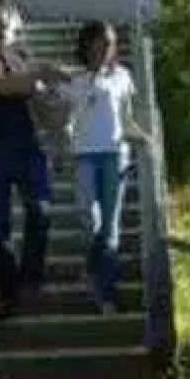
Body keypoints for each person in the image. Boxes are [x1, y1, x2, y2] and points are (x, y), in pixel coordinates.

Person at [0, 4, 65, 317]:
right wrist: (40, 74)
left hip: (29, 146)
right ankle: (5, 293)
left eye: (5, 27)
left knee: (41, 211)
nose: (2, 33)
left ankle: (30, 278)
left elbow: (40, 102)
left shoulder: (21, 58)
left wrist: (59, 118)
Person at [60, 20, 151, 314]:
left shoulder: (123, 77)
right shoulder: (75, 81)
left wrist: (144, 138)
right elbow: (62, 118)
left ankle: (107, 294)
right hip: (85, 154)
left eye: (109, 45)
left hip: (115, 155)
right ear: (86, 48)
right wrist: (62, 144)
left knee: (110, 229)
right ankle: (90, 270)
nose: (104, 50)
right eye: (98, 45)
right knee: (89, 215)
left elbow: (126, 121)